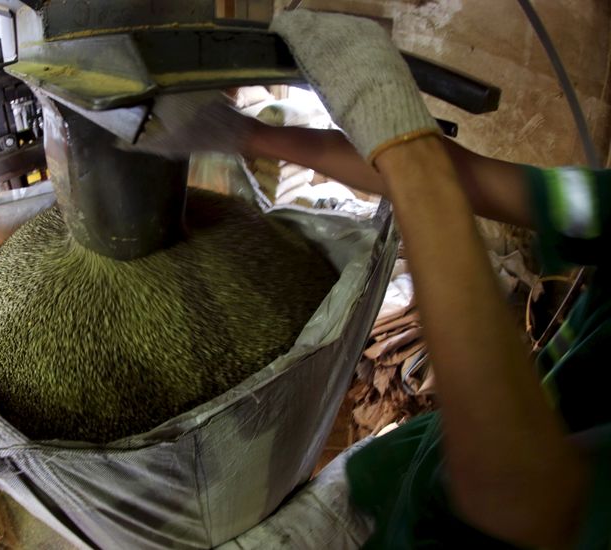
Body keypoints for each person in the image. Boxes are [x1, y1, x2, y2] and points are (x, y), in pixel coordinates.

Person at [137, 10, 611, 549]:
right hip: (412, 468)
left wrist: (406, 149)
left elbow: (522, 497)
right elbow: (473, 179)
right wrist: (248, 135)